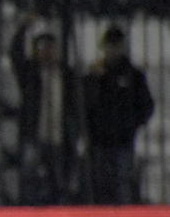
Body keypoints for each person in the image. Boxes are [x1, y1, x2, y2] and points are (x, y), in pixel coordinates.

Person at [8, 15, 79, 205]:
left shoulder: (66, 74)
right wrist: (24, 27)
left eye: (50, 47)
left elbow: (75, 106)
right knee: (30, 181)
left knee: (59, 182)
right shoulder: (30, 73)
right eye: (42, 48)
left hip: (58, 137)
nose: (47, 52)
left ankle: (57, 212)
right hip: (34, 136)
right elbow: (15, 54)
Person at [83, 25, 155, 205]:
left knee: (122, 182)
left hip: (123, 139)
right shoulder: (94, 74)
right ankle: (100, 216)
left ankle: (123, 216)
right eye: (109, 45)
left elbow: (146, 105)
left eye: (116, 45)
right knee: (99, 182)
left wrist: (131, 124)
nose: (112, 50)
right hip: (98, 139)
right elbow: (84, 104)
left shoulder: (133, 75)